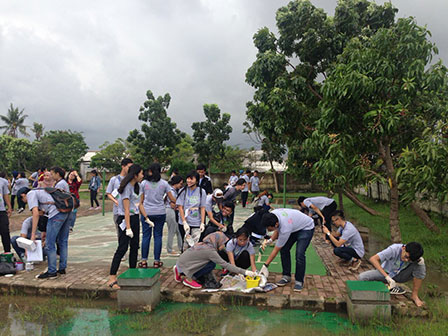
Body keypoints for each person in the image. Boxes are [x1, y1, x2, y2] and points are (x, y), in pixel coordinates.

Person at [18, 186, 71, 279]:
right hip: (66, 210)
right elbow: (42, 212)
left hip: (56, 213)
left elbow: (35, 214)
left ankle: (52, 271)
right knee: (63, 241)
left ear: (23, 195)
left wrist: (33, 235)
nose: (26, 202)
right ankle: (62, 268)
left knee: (50, 244)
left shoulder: (31, 194)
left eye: (23, 200)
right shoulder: (40, 190)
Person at [173, 231, 257, 289]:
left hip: (180, 264)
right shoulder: (210, 251)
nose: (223, 246)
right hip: (185, 266)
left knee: (206, 263)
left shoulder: (203, 244)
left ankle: (179, 271)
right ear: (218, 241)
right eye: (222, 243)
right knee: (211, 264)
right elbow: (226, 265)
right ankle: (189, 279)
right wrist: (245, 272)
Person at [107, 164, 145, 289]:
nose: (142, 176)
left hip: (134, 218)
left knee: (135, 246)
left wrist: (146, 218)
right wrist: (128, 228)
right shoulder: (126, 187)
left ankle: (132, 272)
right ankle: (112, 277)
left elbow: (138, 205)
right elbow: (126, 209)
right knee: (123, 247)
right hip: (124, 219)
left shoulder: (137, 186)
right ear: (135, 175)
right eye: (141, 173)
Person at [259, 208, 315, 292]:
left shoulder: (285, 228)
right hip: (293, 225)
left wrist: (265, 265)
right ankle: (286, 276)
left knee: (299, 253)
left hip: (306, 228)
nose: (268, 230)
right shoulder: (273, 215)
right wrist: (271, 240)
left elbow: (276, 249)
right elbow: (277, 229)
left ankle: (299, 281)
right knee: (285, 249)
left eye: (269, 228)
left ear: (276, 224)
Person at [359, 242, 425, 307]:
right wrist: (387, 277)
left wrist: (416, 261)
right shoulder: (394, 249)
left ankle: (414, 295)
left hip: (401, 275)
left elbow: (420, 274)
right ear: (404, 248)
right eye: (406, 257)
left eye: (409, 260)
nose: (406, 260)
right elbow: (373, 259)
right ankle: (387, 286)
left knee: (421, 263)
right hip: (386, 274)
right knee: (362, 277)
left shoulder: (416, 258)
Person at [139, 163, 174, 268]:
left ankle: (144, 261)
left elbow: (141, 200)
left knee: (146, 236)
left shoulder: (144, 183)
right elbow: (172, 198)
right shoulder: (164, 184)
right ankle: (156, 261)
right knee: (158, 236)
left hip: (147, 213)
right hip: (160, 212)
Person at [176, 170, 207, 250]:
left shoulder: (201, 192)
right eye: (188, 179)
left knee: (195, 245)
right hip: (184, 222)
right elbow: (180, 207)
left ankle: (193, 261)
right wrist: (184, 222)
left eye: (191, 179)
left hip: (196, 222)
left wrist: (202, 223)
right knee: (185, 245)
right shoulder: (182, 191)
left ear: (196, 180)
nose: (189, 181)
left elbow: (203, 208)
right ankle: (183, 261)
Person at [106, 158, 134, 237]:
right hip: (118, 211)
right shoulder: (114, 180)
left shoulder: (132, 180)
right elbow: (109, 193)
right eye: (129, 167)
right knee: (121, 234)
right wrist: (115, 201)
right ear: (123, 166)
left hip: (130, 211)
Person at [165, 175, 184, 256]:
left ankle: (181, 247)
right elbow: (173, 204)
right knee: (172, 231)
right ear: (176, 183)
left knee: (178, 231)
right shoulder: (171, 191)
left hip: (172, 211)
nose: (181, 185)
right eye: (180, 184)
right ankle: (169, 250)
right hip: (169, 211)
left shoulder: (174, 191)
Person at [0, 171, 12, 253]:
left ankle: (7, 253)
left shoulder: (2, 181)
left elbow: (5, 195)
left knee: (5, 232)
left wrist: (9, 207)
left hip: (1, 210)